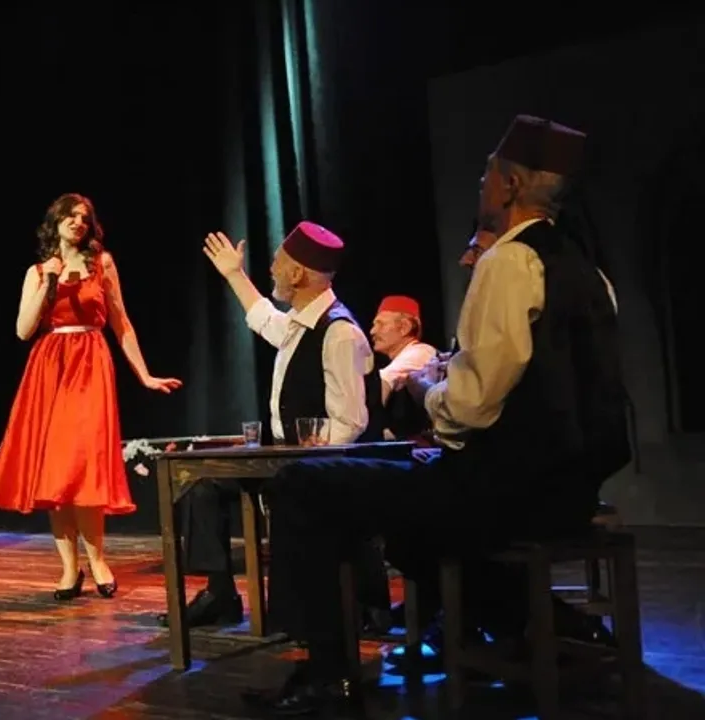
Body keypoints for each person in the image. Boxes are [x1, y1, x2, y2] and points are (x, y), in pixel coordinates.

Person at [247, 115, 630, 715]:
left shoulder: (509, 261)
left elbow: (471, 403)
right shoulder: (591, 274)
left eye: (486, 175)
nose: (481, 185)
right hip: (570, 490)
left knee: (303, 484)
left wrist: (428, 390)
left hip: (508, 491)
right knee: (408, 523)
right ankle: (543, 627)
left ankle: (328, 675)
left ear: (509, 185)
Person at [170, 223, 381, 632]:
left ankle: (312, 615)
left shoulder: (338, 332)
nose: (271, 270)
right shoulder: (300, 324)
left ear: (297, 274)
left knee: (291, 495)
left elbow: (350, 422)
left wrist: (301, 451)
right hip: (283, 458)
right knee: (202, 483)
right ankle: (220, 593)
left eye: (277, 263)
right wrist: (235, 275)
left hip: (320, 466)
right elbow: (264, 318)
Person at [0, 193, 182, 600]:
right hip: (50, 369)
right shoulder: (38, 272)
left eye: (84, 218)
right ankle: (70, 568)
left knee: (83, 464)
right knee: (57, 472)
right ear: (54, 223)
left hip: (90, 365)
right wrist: (49, 283)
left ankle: (98, 559)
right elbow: (22, 330)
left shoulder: (102, 263)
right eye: (70, 216)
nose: (77, 222)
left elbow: (121, 323)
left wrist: (144, 375)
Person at [368, 295, 437, 440]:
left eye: (381, 324)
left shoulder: (421, 352)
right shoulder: (405, 357)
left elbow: (382, 383)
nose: (372, 331)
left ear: (404, 328)